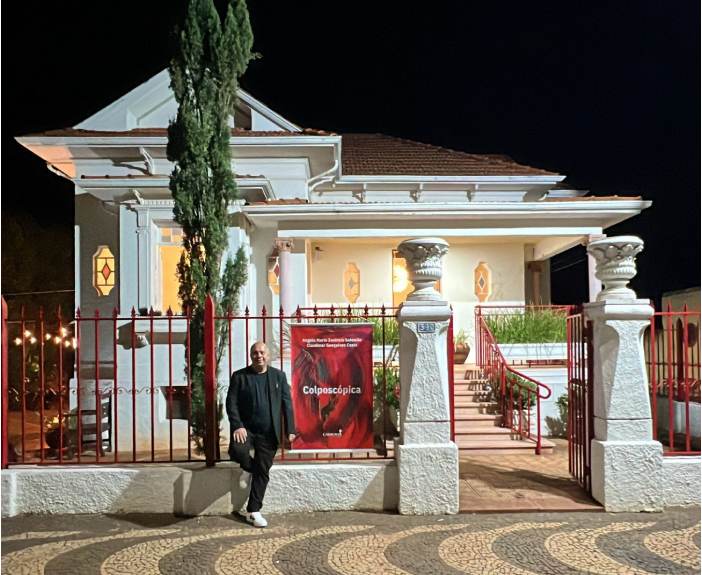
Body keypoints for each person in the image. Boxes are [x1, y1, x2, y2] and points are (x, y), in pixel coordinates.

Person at [226, 341, 296, 528]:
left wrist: (290, 429)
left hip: (268, 432)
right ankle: (248, 469)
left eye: (262, 353)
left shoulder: (278, 376)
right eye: (255, 353)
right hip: (246, 430)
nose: (259, 356)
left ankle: (253, 511)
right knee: (238, 451)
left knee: (263, 471)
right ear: (251, 356)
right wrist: (237, 426)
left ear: (268, 355)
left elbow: (287, 404)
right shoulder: (239, 376)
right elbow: (231, 403)